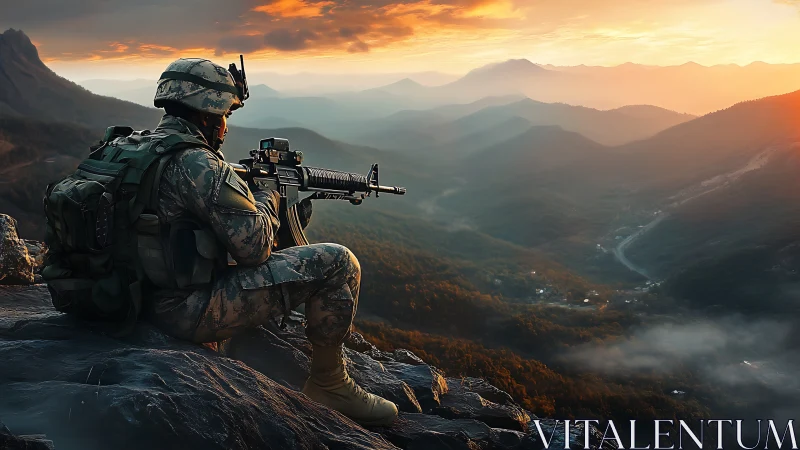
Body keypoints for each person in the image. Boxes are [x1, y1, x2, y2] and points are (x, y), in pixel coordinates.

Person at [111, 58, 399, 425]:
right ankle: (330, 384)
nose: (226, 126)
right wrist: (268, 197)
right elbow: (255, 248)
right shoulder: (197, 164)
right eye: (226, 114)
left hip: (121, 297)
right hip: (177, 313)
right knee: (339, 261)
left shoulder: (130, 147)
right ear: (208, 114)